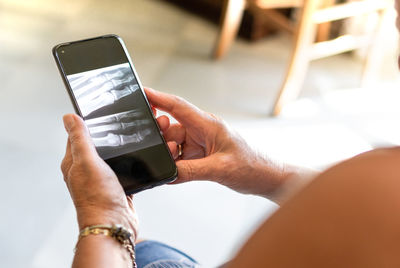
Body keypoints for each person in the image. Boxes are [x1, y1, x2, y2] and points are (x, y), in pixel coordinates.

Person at [61, 3, 400, 267]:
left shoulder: (375, 189)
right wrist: (267, 172)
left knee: (143, 249)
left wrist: (104, 221)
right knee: (149, 250)